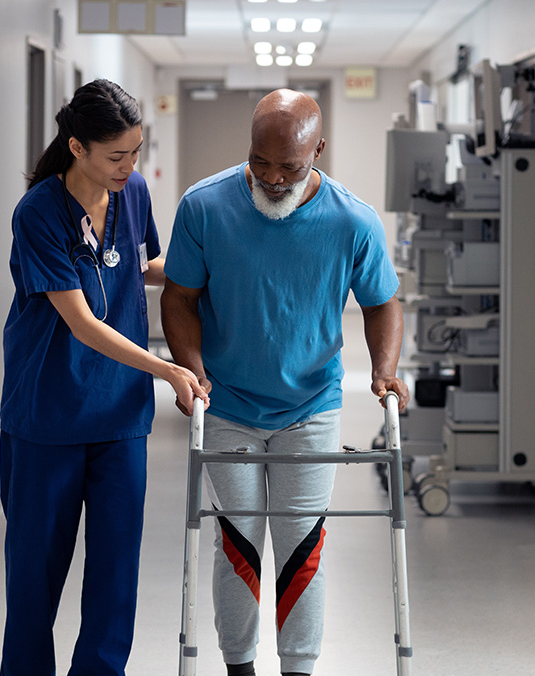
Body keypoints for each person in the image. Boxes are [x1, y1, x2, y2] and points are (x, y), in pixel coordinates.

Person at [161, 88, 410, 676]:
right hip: (226, 402)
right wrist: (191, 370)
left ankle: (298, 668)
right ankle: (239, 667)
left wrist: (384, 371)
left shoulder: (352, 220)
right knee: (240, 547)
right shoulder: (205, 207)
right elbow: (180, 297)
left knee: (301, 551)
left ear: (318, 150)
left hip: (312, 406)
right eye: (260, 162)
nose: (273, 178)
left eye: (290, 167)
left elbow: (382, 302)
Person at [0, 78, 208, 676]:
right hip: (47, 413)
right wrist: (167, 367)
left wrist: (214, 270)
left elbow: (145, 265)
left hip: (119, 416)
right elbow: (83, 323)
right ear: (76, 147)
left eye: (135, 152)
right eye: (116, 155)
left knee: (117, 573)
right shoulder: (38, 211)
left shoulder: (134, 192)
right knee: (35, 581)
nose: (129, 165)